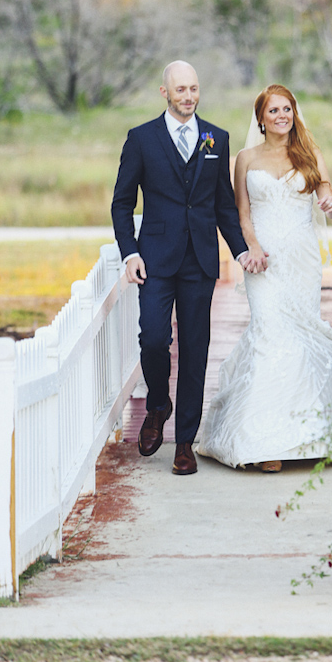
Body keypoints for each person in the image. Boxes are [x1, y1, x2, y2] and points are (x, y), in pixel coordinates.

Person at [198, 84, 332, 471]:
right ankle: (265, 443)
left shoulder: (310, 153)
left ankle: (307, 436)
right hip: (266, 260)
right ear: (260, 118)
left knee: (300, 337)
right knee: (269, 333)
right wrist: (252, 249)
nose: (282, 116)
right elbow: (241, 214)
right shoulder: (244, 158)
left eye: (287, 109)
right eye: (274, 110)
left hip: (302, 260)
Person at [111, 60, 267, 476]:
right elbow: (122, 203)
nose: (188, 96)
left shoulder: (217, 138)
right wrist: (130, 253)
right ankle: (158, 403)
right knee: (154, 339)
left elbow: (222, 206)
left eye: (194, 89)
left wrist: (239, 252)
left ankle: (184, 443)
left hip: (200, 260)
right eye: (180, 89)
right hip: (156, 259)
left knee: (196, 351)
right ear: (165, 92)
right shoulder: (141, 139)